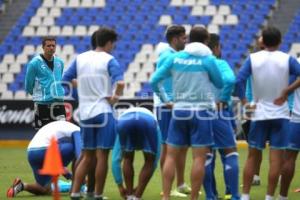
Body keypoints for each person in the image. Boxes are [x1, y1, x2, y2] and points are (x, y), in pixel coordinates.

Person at [150, 26, 223, 200]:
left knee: (170, 155)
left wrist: (167, 101)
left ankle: (166, 196)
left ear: (189, 39)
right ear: (206, 41)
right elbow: (219, 83)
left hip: (179, 110)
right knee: (199, 158)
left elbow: (154, 81)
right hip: (201, 112)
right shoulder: (208, 59)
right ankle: (194, 198)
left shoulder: (175, 58)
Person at [236, 26, 300, 200]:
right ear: (280, 41)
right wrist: (287, 91)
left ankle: (245, 196)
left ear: (262, 41)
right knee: (276, 159)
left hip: (259, 113)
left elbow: (239, 81)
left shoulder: (253, 59)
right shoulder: (287, 59)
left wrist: (245, 103)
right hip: (281, 114)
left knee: (252, 156)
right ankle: (270, 196)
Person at [63, 27, 124, 200]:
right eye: (113, 43)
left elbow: (65, 79)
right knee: (102, 155)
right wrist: (115, 98)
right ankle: (97, 194)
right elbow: (120, 83)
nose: (113, 47)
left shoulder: (80, 58)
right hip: (103, 111)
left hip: (86, 113)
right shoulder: (109, 59)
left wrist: (81, 84)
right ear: (109, 42)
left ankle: (75, 192)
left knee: (87, 155)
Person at [154, 25, 191, 197]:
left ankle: (181, 183)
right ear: (175, 39)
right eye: (183, 38)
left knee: (181, 146)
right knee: (168, 148)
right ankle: (167, 188)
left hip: (176, 105)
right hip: (166, 108)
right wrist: (166, 101)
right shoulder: (166, 56)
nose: (186, 41)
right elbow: (156, 82)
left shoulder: (175, 56)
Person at [203, 33, 240, 200]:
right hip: (219, 113)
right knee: (229, 153)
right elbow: (231, 80)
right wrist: (223, 99)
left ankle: (211, 196)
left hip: (201, 113)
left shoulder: (198, 64)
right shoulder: (219, 63)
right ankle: (233, 194)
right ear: (216, 48)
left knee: (206, 155)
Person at [6, 121, 82, 197]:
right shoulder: (78, 131)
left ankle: (22, 186)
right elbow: (80, 156)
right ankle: (75, 187)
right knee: (77, 149)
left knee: (44, 189)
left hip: (31, 153)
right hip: (44, 150)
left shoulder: (68, 128)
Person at [112, 107, 161, 200]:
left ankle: (129, 196)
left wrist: (120, 186)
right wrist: (140, 187)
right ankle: (137, 197)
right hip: (147, 121)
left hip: (123, 121)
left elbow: (115, 160)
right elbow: (155, 161)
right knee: (150, 160)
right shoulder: (156, 126)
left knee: (127, 158)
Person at [25, 36, 66, 129]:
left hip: (58, 102)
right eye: (48, 46)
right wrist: (38, 95)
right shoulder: (34, 63)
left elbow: (59, 79)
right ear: (43, 47)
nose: (51, 48)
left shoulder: (60, 62)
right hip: (42, 104)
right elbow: (28, 84)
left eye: (53, 46)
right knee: (43, 134)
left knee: (61, 131)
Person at [274, 57, 300, 200]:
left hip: (297, 116)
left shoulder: (296, 62)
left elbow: (287, 83)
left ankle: (282, 196)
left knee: (289, 158)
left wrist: (286, 91)